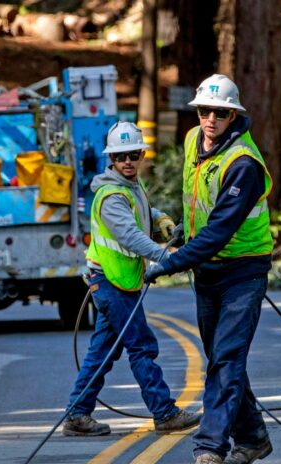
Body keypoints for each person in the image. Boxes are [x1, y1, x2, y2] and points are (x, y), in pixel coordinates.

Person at [144, 74, 274, 464]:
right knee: (222, 358)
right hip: (208, 271)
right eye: (204, 111)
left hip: (244, 270)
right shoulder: (191, 141)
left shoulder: (244, 165)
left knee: (227, 358)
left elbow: (220, 229)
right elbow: (198, 196)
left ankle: (209, 449)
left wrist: (171, 262)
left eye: (220, 113)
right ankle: (252, 436)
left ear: (234, 114)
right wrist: (184, 228)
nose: (211, 119)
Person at [63, 121, 201, 437]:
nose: (127, 161)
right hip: (112, 283)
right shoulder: (111, 195)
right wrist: (169, 257)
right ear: (111, 159)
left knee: (104, 351)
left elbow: (140, 213)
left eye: (133, 155)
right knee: (141, 345)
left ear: (141, 155)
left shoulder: (130, 186)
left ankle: (77, 414)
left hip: (117, 281)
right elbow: (129, 235)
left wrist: (161, 220)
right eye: (121, 156)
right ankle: (164, 412)